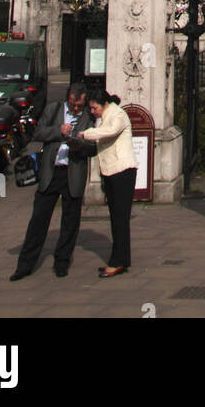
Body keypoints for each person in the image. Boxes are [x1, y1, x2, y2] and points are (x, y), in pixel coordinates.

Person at [9, 82, 97, 282]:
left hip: (73, 172)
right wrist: (59, 131)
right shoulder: (53, 109)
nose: (76, 109)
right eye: (73, 105)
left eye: (79, 106)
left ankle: (62, 262)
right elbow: (38, 133)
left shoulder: (88, 117)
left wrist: (79, 145)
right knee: (38, 220)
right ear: (68, 99)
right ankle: (25, 265)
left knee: (70, 221)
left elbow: (92, 147)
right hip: (51, 172)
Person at [78, 88, 137, 278]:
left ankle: (117, 261)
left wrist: (85, 134)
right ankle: (122, 259)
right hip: (111, 171)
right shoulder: (104, 117)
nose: (92, 112)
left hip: (122, 171)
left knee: (120, 218)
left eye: (94, 108)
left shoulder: (118, 115)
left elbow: (110, 132)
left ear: (103, 104)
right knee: (116, 217)